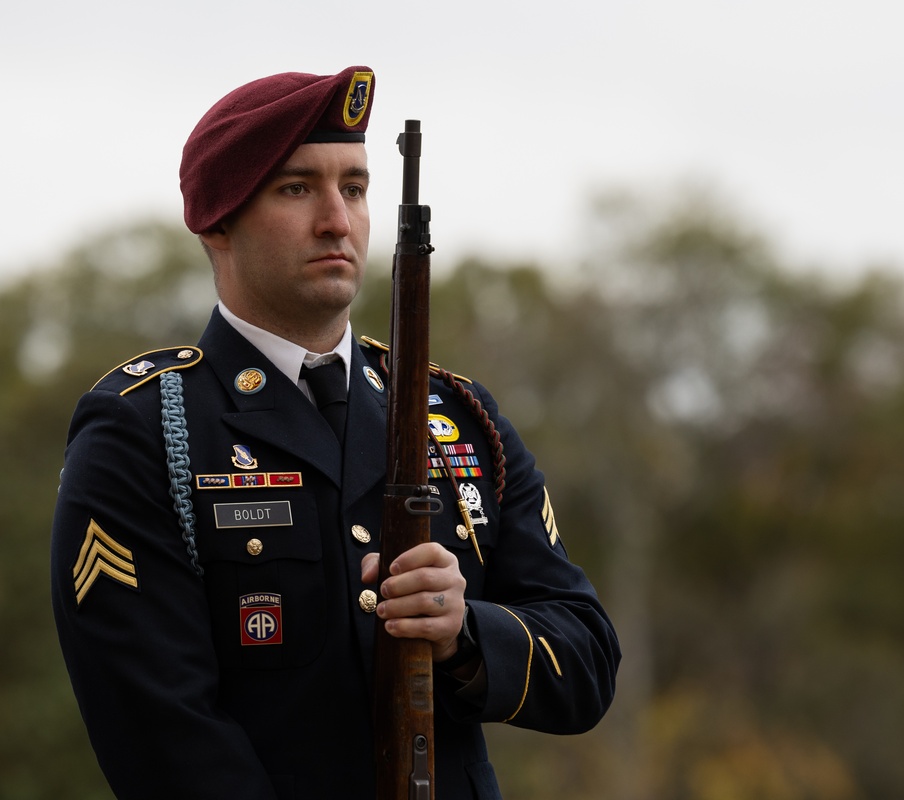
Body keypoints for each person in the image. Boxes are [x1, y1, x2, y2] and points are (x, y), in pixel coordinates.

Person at [50, 67, 620, 799]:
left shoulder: (456, 420)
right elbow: (163, 737)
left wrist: (465, 635)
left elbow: (589, 658)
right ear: (217, 220)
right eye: (297, 189)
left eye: (353, 188)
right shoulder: (144, 432)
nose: (337, 220)